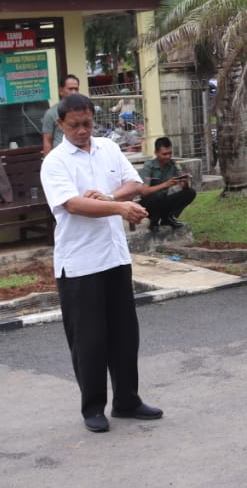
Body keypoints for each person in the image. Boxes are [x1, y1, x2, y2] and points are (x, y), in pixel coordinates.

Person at [40, 92, 163, 433]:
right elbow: (73, 205)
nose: (82, 131)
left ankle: (127, 400)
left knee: (125, 334)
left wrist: (110, 198)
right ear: (61, 125)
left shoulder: (108, 148)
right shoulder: (55, 162)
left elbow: (134, 182)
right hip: (79, 264)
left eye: (87, 124)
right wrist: (120, 207)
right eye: (74, 125)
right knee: (89, 339)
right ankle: (93, 406)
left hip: (114, 257)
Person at [138, 136, 195, 231]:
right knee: (159, 195)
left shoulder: (174, 165)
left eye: (170, 153)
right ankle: (154, 221)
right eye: (164, 154)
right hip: (148, 203)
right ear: (156, 153)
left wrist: (184, 183)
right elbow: (144, 192)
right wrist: (166, 184)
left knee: (190, 193)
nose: (168, 156)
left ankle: (167, 218)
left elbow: (184, 187)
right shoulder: (149, 166)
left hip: (164, 199)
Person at [41, 73, 83, 153]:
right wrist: (49, 162)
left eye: (76, 89)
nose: (74, 92)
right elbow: (47, 140)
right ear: (61, 91)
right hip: (61, 157)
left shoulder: (83, 111)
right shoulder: (51, 113)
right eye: (70, 89)